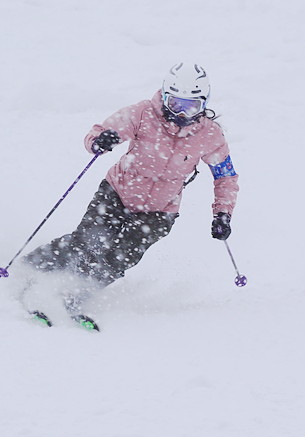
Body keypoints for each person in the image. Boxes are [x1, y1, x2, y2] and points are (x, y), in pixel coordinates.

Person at [21, 63, 239, 323]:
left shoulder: (210, 135)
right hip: (117, 194)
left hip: (159, 212)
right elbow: (99, 132)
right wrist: (101, 141)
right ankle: (31, 269)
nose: (182, 113)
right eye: (175, 103)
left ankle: (76, 293)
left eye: (191, 106)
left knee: (119, 257)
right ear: (164, 95)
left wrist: (222, 214)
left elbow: (225, 176)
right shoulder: (142, 113)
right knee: (89, 241)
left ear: (204, 104)